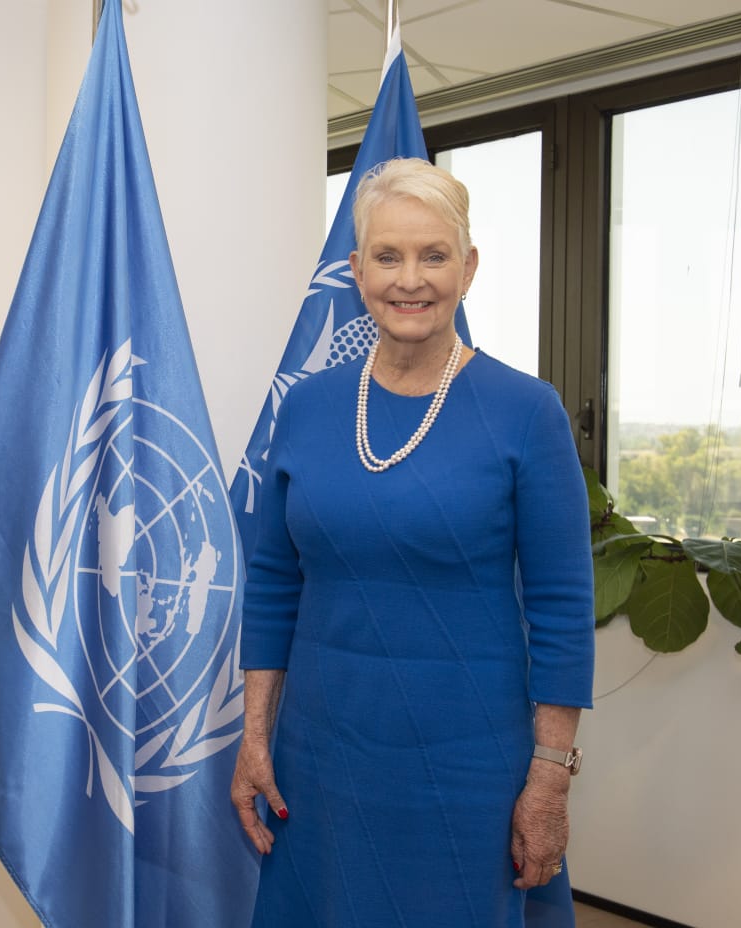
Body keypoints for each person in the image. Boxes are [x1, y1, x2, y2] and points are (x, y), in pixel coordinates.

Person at [231, 157, 594, 927]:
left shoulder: (528, 411)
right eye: (388, 256)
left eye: (434, 255)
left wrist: (551, 775)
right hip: (320, 759)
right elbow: (272, 579)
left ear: (468, 268)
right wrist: (255, 735)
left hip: (469, 765)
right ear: (357, 270)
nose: (410, 279)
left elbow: (563, 610)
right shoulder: (306, 407)